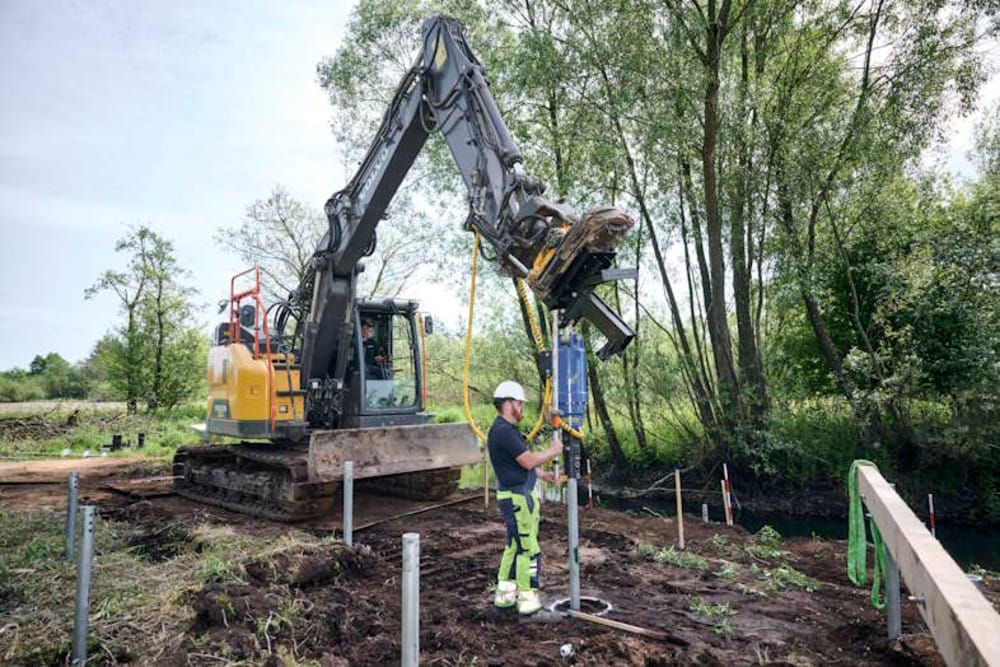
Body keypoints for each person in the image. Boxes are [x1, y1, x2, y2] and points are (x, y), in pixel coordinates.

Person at [488, 380, 563, 616]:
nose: (522, 407)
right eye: (520, 403)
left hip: (515, 495)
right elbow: (527, 460)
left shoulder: (505, 430)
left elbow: (519, 465)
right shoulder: (503, 431)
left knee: (514, 547)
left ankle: (505, 601)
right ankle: (529, 607)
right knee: (528, 551)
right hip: (517, 499)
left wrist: (543, 475)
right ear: (509, 404)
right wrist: (553, 450)